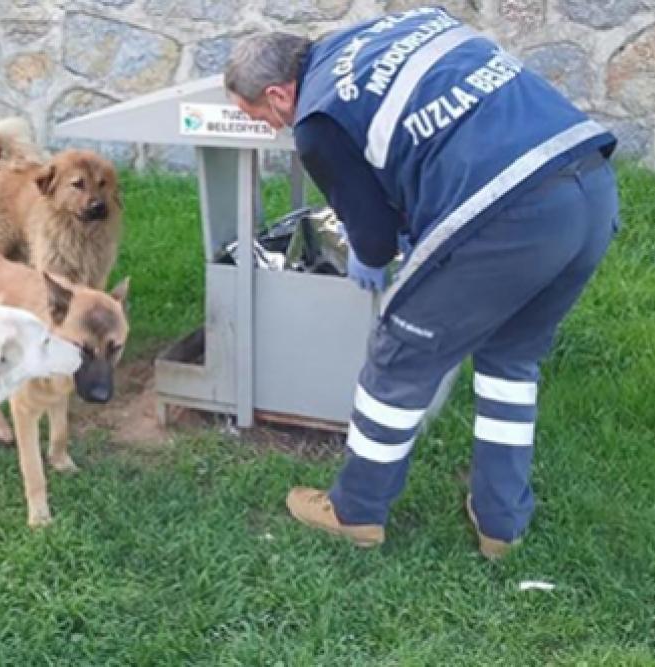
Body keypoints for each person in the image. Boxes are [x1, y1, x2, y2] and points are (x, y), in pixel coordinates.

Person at [223, 6, 620, 559]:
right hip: (589, 183)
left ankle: (355, 511)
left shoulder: (315, 121)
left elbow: (377, 240)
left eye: (257, 116)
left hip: (506, 214)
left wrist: (372, 252)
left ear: (278, 95)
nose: (269, 129)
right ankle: (500, 522)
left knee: (397, 357)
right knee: (510, 358)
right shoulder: (394, 28)